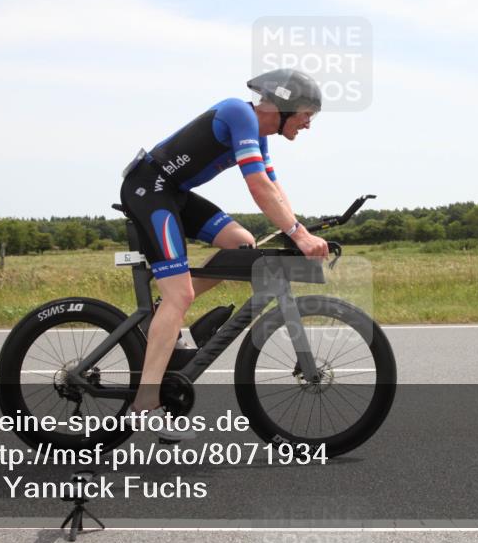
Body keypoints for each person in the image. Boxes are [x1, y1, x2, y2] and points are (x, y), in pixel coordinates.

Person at [119, 68, 329, 439]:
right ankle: (145, 406)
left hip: (174, 195)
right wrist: (297, 234)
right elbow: (258, 186)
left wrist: (302, 233)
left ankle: (161, 314)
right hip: (149, 190)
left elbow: (275, 190)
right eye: (307, 114)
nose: (308, 124)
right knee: (179, 295)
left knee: (241, 243)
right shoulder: (239, 113)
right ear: (283, 106)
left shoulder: (259, 136)